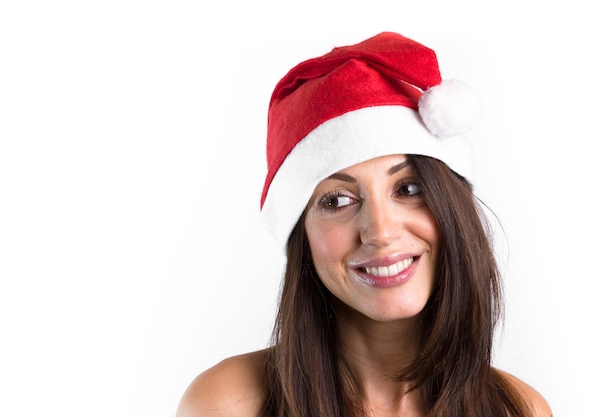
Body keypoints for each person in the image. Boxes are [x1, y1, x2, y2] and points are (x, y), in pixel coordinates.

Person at [176, 32, 552, 417]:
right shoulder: (228, 403)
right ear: (301, 234)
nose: (381, 232)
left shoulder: (519, 409)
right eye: (337, 200)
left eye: (408, 188)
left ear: (452, 208)